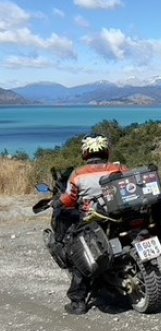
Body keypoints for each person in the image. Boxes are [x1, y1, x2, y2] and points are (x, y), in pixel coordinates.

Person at [52, 135, 127, 315]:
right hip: (122, 215)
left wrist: (57, 203)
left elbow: (70, 198)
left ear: (86, 153)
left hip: (95, 217)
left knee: (78, 250)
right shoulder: (120, 168)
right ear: (106, 151)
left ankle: (78, 301)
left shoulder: (79, 174)